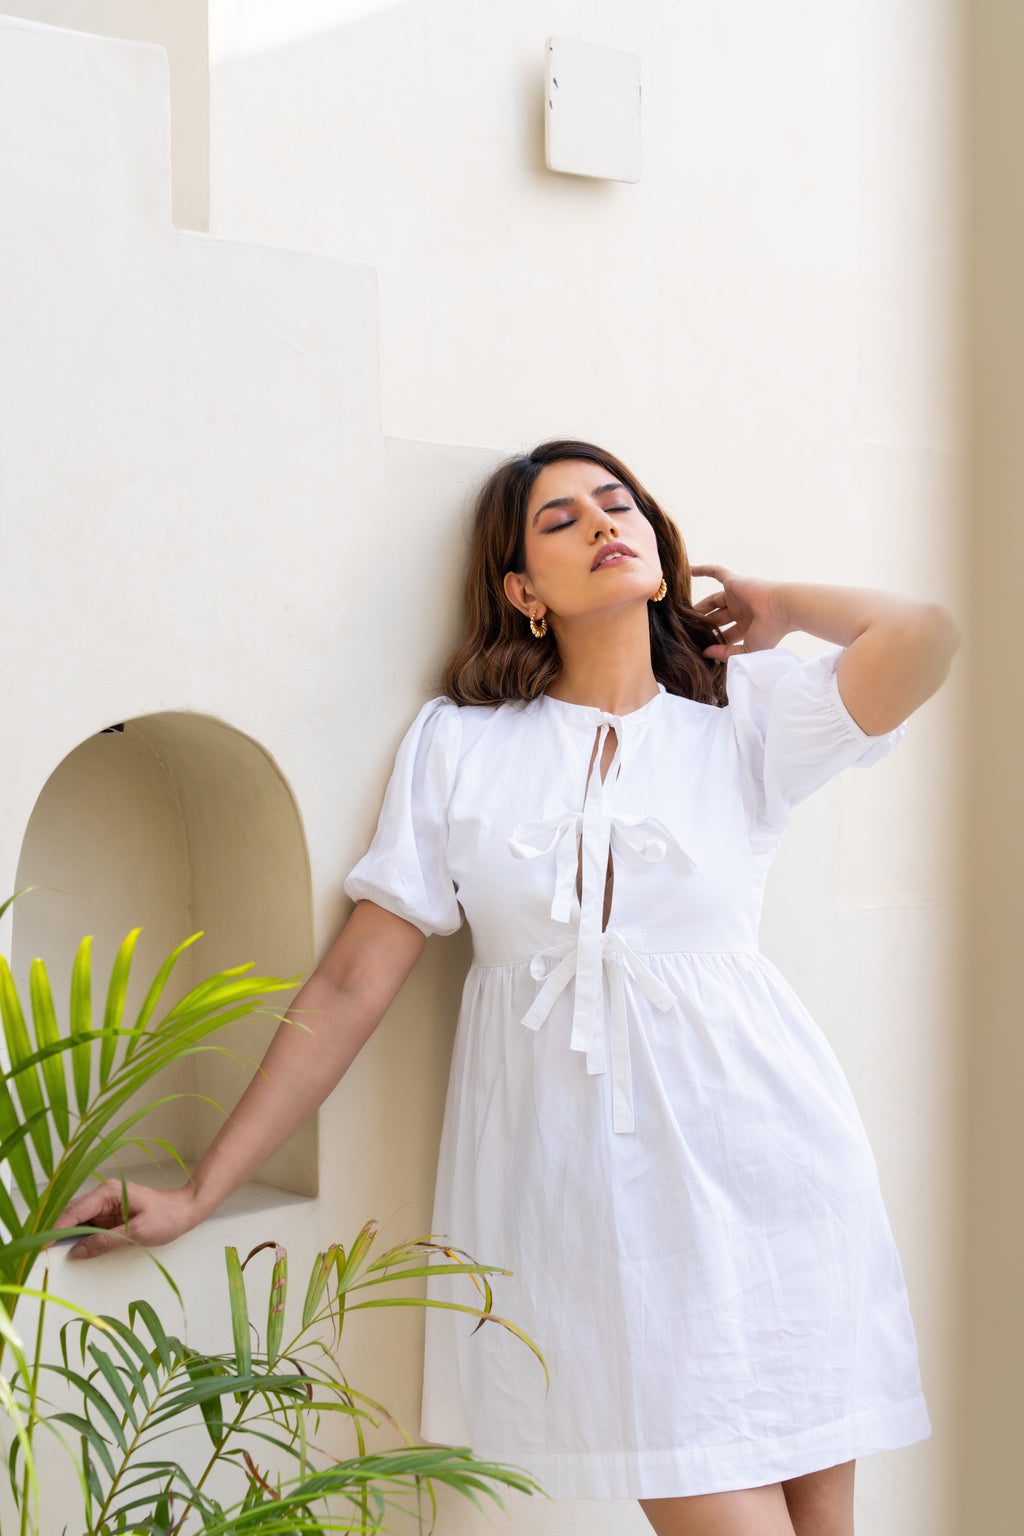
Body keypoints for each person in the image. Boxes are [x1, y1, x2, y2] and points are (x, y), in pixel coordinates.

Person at [59, 440, 959, 1536]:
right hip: (598, 1199)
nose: (602, 524)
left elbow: (925, 638)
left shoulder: (745, 716)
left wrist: (777, 604)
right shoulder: (461, 748)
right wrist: (203, 1189)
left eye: (618, 504)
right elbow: (350, 984)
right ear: (522, 591)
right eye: (561, 519)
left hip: (776, 1167)